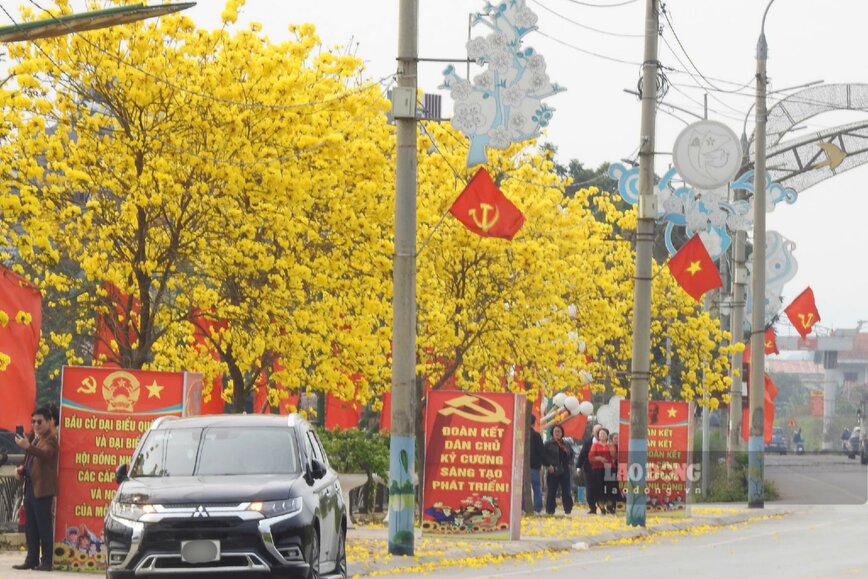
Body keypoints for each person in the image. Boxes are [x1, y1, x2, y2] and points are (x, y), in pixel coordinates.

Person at [13, 407, 59, 571]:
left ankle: (46, 561)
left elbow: (45, 454)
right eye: (33, 422)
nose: (36, 425)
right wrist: (21, 469)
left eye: (39, 422)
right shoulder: (34, 437)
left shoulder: (51, 438)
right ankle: (31, 559)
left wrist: (27, 446)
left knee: (43, 527)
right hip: (30, 487)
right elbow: (30, 460)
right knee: (30, 527)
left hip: (43, 489)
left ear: (48, 422)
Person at [543, 424, 574, 515]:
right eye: (555, 431)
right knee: (552, 491)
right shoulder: (548, 444)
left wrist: (570, 464)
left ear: (562, 433)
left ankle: (568, 509)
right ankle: (550, 510)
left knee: (566, 491)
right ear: (552, 433)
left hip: (565, 470)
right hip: (553, 470)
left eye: (559, 431)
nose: (557, 433)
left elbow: (572, 455)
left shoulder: (566, 444)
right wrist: (548, 465)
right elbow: (544, 456)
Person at [576, 423, 602, 514]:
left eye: (600, 431)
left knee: (601, 489)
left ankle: (602, 507)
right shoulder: (588, 442)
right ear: (593, 432)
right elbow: (582, 455)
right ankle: (592, 508)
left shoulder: (607, 442)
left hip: (602, 470)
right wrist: (578, 467)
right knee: (590, 489)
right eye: (597, 431)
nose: (599, 433)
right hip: (589, 469)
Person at [588, 427, 614, 516]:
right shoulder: (595, 445)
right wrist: (599, 458)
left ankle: (610, 506)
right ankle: (601, 507)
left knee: (610, 487)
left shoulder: (610, 444)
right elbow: (590, 457)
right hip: (598, 469)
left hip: (608, 468)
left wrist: (610, 447)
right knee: (599, 488)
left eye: (604, 434)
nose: (602, 435)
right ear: (598, 436)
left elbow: (614, 456)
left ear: (607, 435)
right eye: (600, 434)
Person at [528, 415, 546, 515]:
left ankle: (523, 508)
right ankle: (537, 508)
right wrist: (546, 464)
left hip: (523, 467)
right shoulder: (536, 436)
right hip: (535, 466)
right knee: (536, 487)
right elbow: (542, 452)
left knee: (522, 489)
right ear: (534, 423)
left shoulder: (519, 434)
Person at [604, 432, 621, 514]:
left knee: (618, 488)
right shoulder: (609, 447)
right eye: (615, 438)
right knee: (611, 488)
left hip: (620, 469)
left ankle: (618, 505)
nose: (617, 440)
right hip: (609, 469)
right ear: (611, 439)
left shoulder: (623, 446)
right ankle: (610, 506)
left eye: (618, 438)